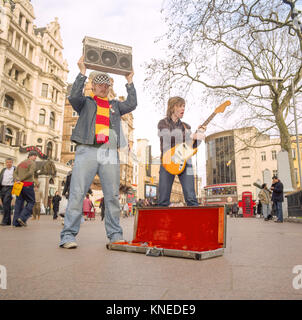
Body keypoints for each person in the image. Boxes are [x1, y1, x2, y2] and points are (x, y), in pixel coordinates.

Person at [60, 55, 136, 249]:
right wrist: (82, 72)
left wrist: (129, 81)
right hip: (87, 149)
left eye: (106, 85)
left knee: (111, 195)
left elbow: (132, 104)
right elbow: (73, 96)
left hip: (109, 152)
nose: (103, 87)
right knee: (77, 193)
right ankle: (68, 236)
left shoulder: (115, 106)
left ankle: (115, 235)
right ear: (93, 87)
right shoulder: (85, 102)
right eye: (99, 84)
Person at [157, 96, 206, 206]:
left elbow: (192, 146)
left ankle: (196, 222)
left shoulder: (186, 127)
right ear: (172, 107)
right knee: (163, 200)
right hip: (168, 161)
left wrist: (199, 134)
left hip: (185, 161)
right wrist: (191, 136)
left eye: (184, 106)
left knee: (191, 198)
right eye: (180, 106)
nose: (183, 109)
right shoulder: (162, 123)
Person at [12, 151, 37, 227]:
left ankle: (15, 223)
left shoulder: (21, 163)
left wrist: (17, 179)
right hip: (27, 184)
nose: (35, 158)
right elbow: (30, 173)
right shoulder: (32, 163)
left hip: (19, 185)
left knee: (18, 203)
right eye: (34, 156)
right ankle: (22, 218)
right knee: (31, 201)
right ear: (30, 156)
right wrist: (21, 179)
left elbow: (14, 172)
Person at [0, 158, 15, 226]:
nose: (9, 163)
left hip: (10, 188)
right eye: (7, 162)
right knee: (6, 205)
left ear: (12, 163)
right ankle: (8, 221)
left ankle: (4, 221)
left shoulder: (14, 170)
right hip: (3, 188)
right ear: (6, 163)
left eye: (10, 162)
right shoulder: (3, 170)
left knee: (6, 202)